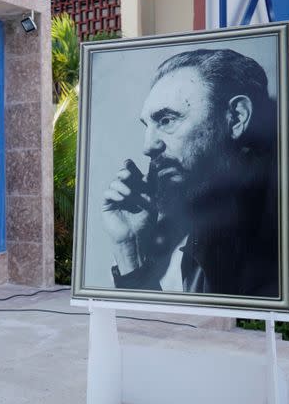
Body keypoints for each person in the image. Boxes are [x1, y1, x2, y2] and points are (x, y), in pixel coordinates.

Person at [101, 48, 278, 297]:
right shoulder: (200, 230)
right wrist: (127, 245)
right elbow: (159, 327)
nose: (148, 147)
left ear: (236, 118)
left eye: (167, 120)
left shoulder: (264, 240)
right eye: (148, 125)